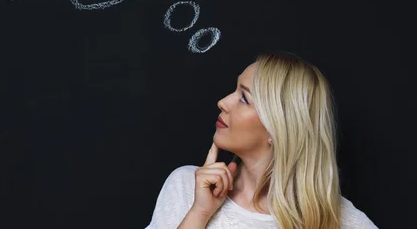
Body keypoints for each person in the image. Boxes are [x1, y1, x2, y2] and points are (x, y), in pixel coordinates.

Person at [145, 52, 379, 229]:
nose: (223, 101)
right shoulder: (186, 186)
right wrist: (199, 213)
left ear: (277, 127)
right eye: (234, 91)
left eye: (244, 98)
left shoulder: (336, 217)